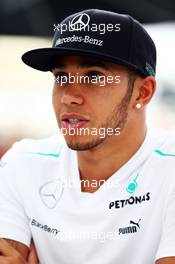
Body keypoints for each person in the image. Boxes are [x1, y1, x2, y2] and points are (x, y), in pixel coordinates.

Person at [0, 9, 175, 264]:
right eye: (61, 77)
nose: (68, 96)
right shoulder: (22, 163)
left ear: (143, 93)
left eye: (94, 76)